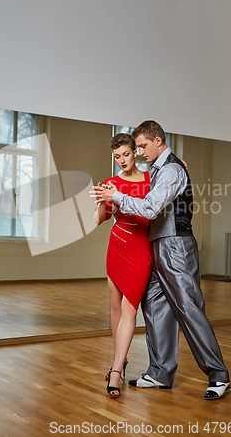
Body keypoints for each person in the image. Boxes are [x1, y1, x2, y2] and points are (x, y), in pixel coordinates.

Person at [91, 121, 230, 401]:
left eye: (142, 146)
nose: (139, 152)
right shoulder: (163, 169)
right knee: (155, 307)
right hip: (156, 246)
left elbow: (152, 208)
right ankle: (160, 372)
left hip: (176, 245)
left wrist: (115, 195)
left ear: (158, 141)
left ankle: (218, 374)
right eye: (136, 147)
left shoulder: (171, 169)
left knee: (188, 308)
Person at [94, 133, 153, 398]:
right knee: (117, 306)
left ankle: (116, 370)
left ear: (135, 153)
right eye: (117, 157)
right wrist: (100, 202)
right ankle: (120, 359)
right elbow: (100, 220)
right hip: (117, 246)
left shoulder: (151, 180)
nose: (122, 161)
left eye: (126, 154)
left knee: (131, 307)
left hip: (141, 248)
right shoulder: (110, 183)